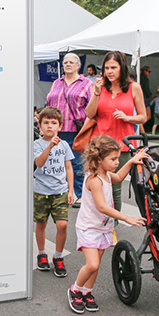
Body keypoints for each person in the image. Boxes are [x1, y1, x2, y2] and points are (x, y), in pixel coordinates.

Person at [67, 136, 147, 314]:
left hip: (103, 227)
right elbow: (102, 207)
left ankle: (87, 292)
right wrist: (127, 217)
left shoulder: (107, 175)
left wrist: (132, 162)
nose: (117, 162)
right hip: (89, 227)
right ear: (99, 159)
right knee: (93, 264)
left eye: (118, 158)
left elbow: (118, 177)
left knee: (97, 262)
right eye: (113, 159)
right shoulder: (95, 179)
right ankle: (75, 290)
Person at [85, 51, 147, 217]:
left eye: (113, 67)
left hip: (122, 146)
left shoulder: (134, 87)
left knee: (115, 188)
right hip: (99, 145)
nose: (109, 72)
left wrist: (128, 117)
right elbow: (89, 114)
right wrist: (97, 93)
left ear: (122, 68)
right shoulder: (99, 86)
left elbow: (143, 117)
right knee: (96, 184)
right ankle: (96, 222)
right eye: (106, 68)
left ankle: (112, 223)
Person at [47, 53, 93, 207]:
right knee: (57, 163)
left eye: (71, 62)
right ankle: (62, 192)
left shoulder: (86, 83)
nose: (67, 65)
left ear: (78, 65)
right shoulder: (56, 83)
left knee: (77, 164)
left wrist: (87, 126)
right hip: (56, 130)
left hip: (76, 130)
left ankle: (79, 194)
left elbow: (92, 108)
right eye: (65, 62)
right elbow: (49, 104)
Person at [34, 107, 75, 277]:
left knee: (62, 224)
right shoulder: (36, 144)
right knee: (41, 224)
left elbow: (68, 168)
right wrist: (50, 146)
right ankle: (42, 253)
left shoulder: (64, 145)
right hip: (41, 191)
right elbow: (40, 163)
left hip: (60, 191)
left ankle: (58, 256)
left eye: (54, 123)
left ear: (60, 126)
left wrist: (71, 190)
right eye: (46, 123)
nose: (50, 126)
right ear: (40, 125)